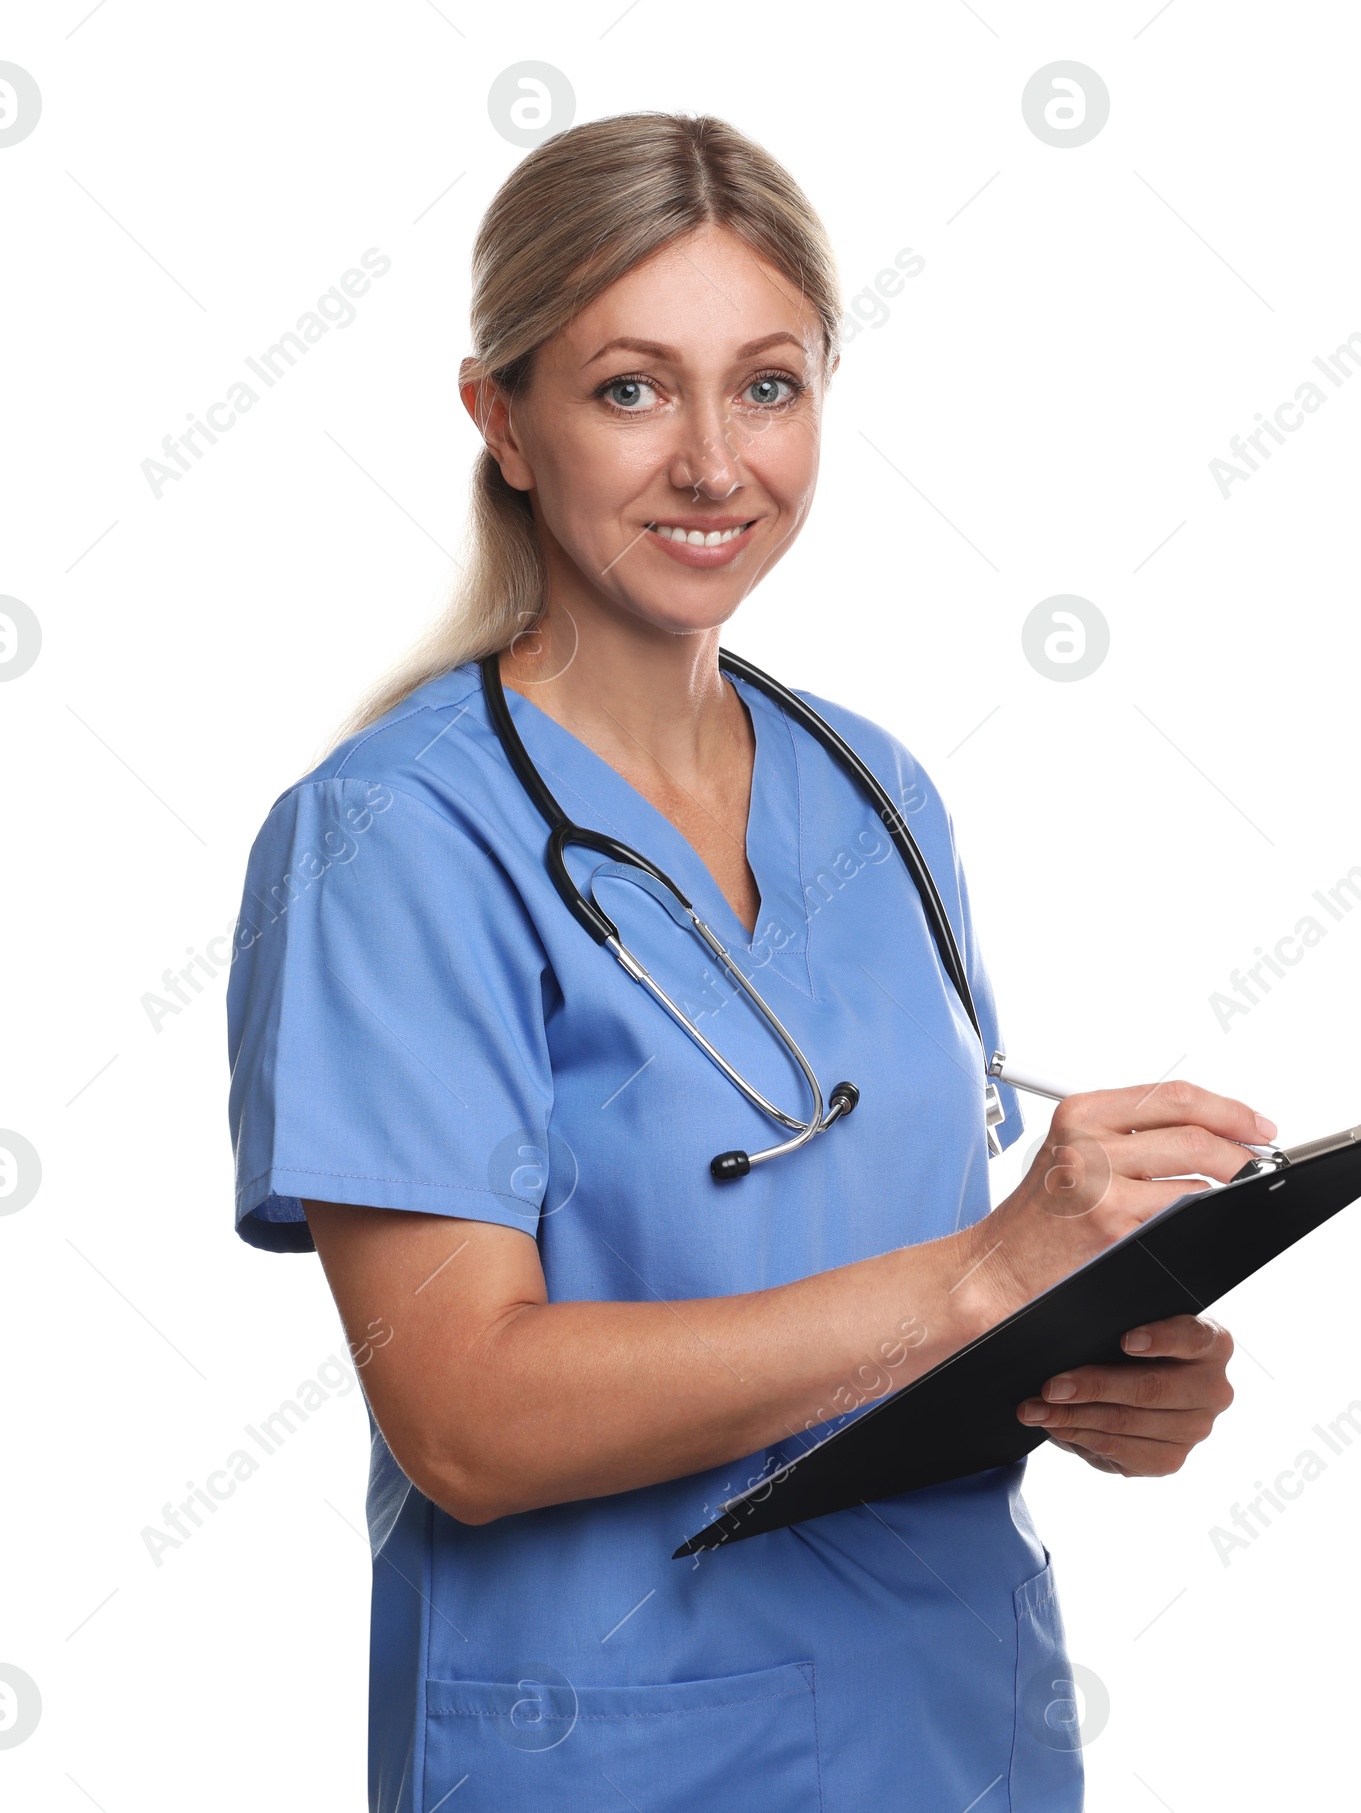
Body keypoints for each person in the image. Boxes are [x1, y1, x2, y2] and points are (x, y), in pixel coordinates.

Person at [226, 111, 1268, 1813]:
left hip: (954, 1728)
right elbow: (465, 1419)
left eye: (768, 385)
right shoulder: (396, 838)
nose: (716, 462)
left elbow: (916, 1281)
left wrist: (1087, 1363)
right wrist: (980, 1281)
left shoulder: (878, 791)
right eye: (632, 387)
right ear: (501, 419)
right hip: (617, 1749)